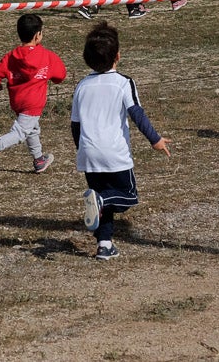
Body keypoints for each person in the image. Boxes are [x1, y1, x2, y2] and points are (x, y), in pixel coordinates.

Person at [71, 22, 171, 260]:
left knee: (100, 203)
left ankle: (104, 245)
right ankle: (102, 201)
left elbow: (75, 125)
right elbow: (136, 112)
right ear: (118, 56)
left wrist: (81, 148)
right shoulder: (123, 82)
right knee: (127, 196)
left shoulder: (81, 85)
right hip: (114, 154)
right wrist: (155, 140)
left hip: (88, 153)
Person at [0, 14, 67, 172]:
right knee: (20, 132)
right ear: (38, 35)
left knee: (32, 129)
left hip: (18, 101)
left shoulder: (11, 57)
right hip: (33, 104)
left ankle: (39, 159)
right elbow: (61, 75)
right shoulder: (47, 56)